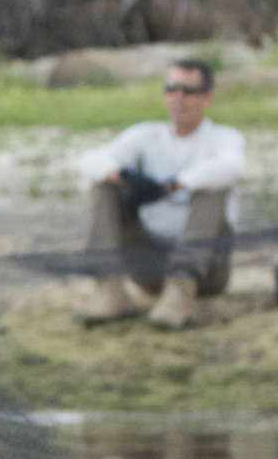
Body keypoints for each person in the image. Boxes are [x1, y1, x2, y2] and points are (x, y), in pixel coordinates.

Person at [71, 56, 246, 330]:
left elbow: (234, 165)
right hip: (149, 262)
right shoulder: (145, 136)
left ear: (206, 98)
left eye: (188, 91)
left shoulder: (223, 138)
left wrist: (175, 184)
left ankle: (180, 290)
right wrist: (120, 174)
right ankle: (110, 289)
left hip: (205, 271)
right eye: (171, 89)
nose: (179, 98)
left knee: (211, 188)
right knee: (105, 186)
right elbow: (88, 160)